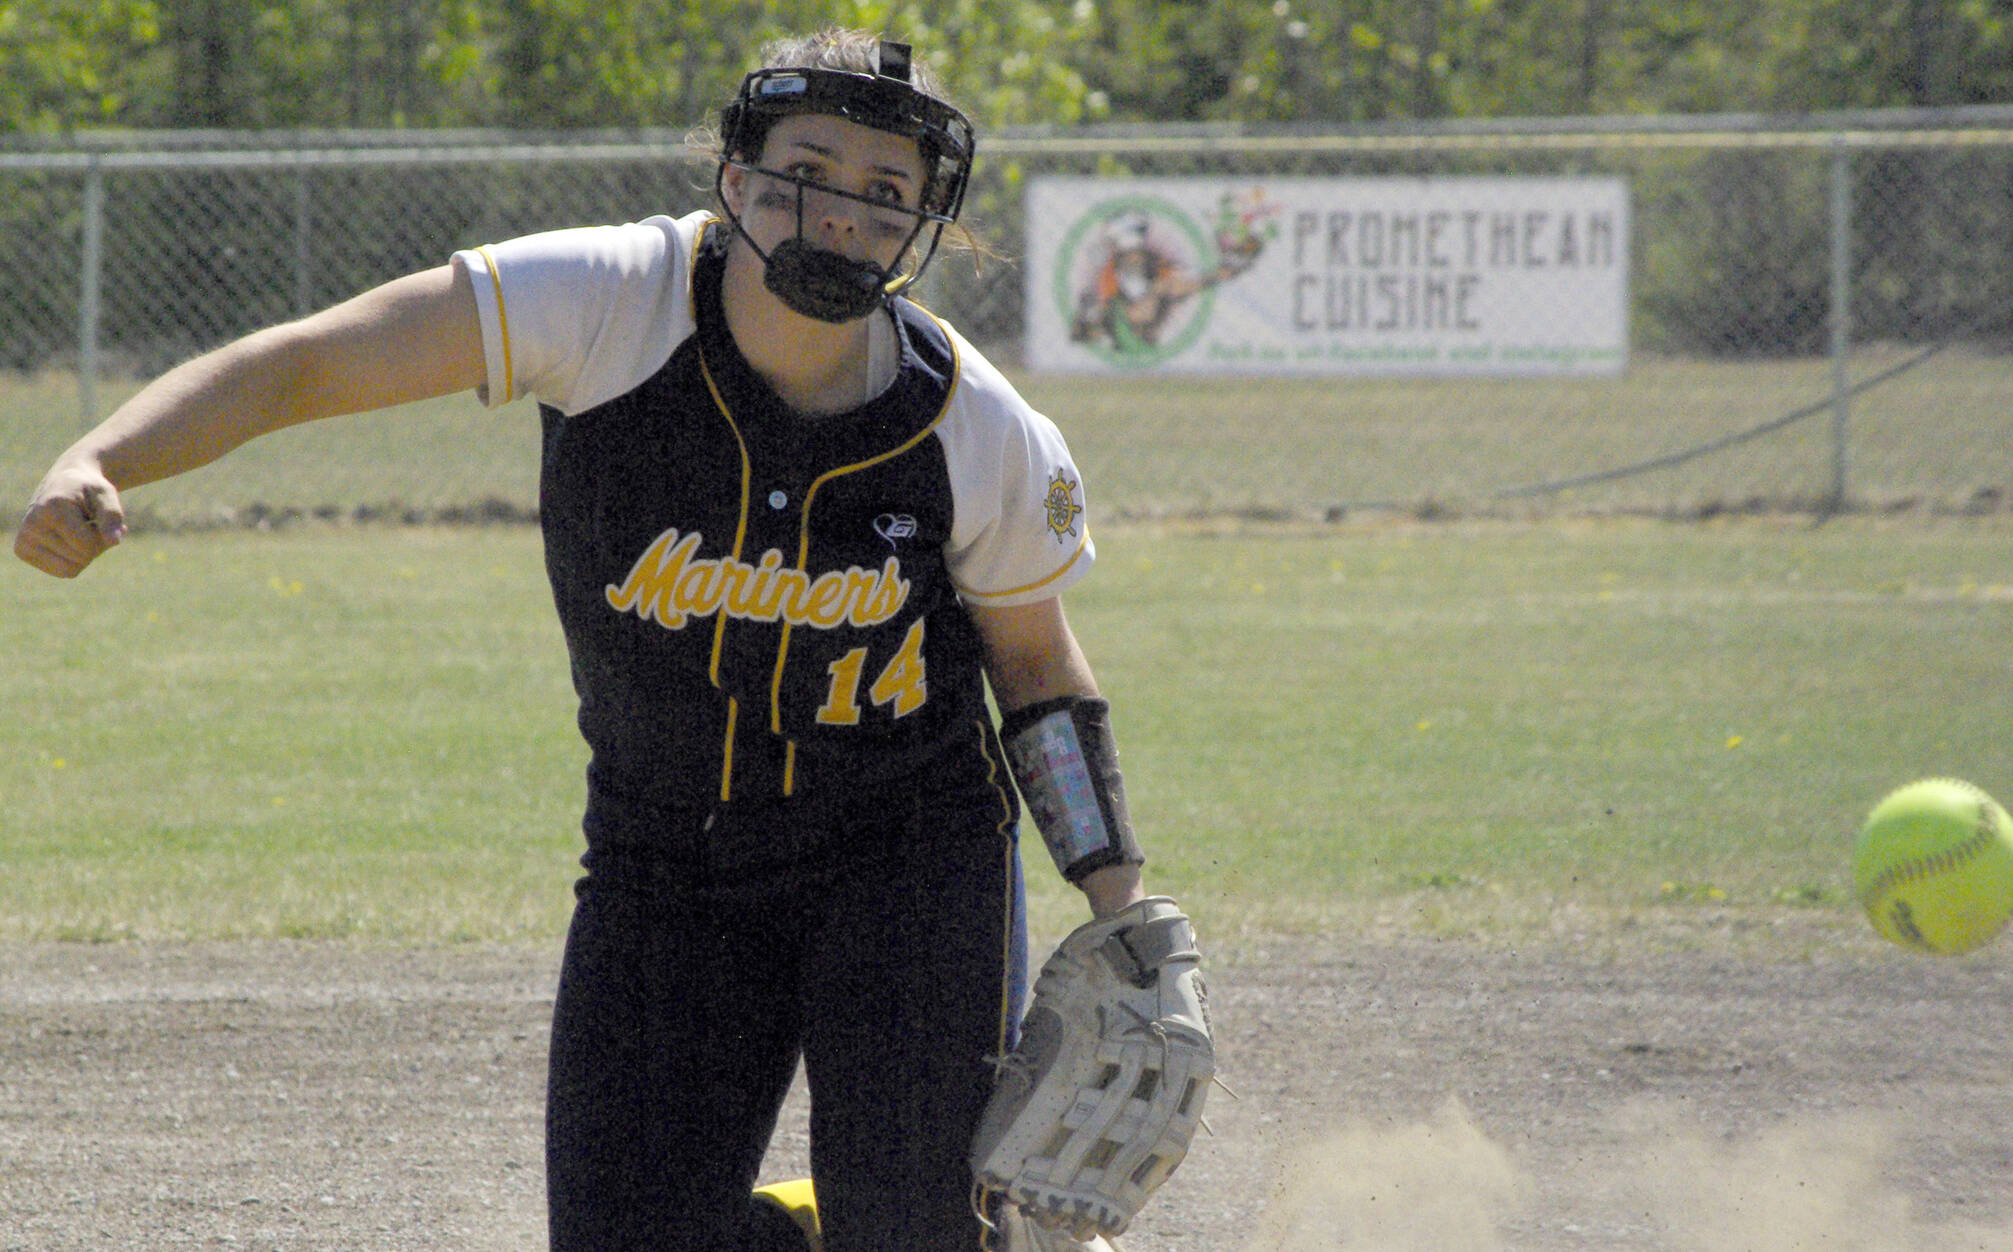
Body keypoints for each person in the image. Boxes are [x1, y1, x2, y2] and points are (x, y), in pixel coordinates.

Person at [14, 27, 1187, 1252]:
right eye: (809, 167)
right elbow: (303, 367)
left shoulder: (971, 425)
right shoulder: (603, 303)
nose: (842, 211)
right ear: (734, 178)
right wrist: (98, 456)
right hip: (666, 861)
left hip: (904, 864)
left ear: (917, 229)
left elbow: (1042, 682)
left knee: (915, 1232)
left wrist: (1120, 908)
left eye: (885, 192)